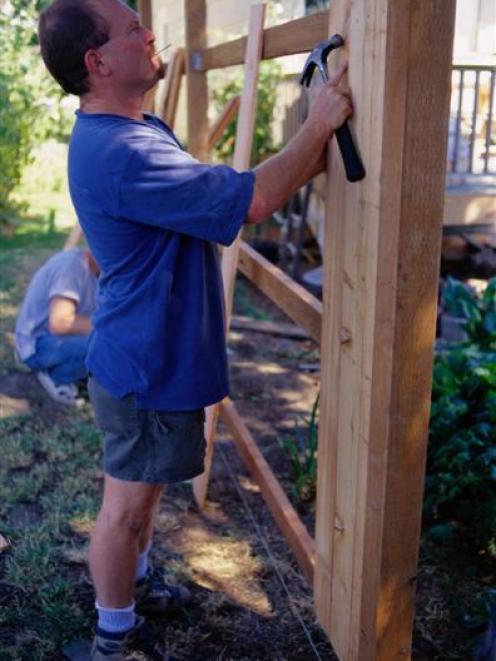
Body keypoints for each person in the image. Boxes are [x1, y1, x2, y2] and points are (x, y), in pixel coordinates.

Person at [37, 1, 353, 659]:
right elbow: (254, 201)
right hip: (147, 368)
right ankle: (113, 638)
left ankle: (138, 586)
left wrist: (317, 144)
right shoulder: (121, 151)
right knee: (124, 510)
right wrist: (317, 124)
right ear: (97, 62)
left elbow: (240, 190)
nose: (148, 33)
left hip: (149, 357)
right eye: (131, 29)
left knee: (142, 498)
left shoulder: (134, 128)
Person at [15, 247, 99, 406]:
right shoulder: (73, 264)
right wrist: (113, 328)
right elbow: (61, 322)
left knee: (111, 345)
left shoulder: (100, 274)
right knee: (106, 345)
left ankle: (70, 374)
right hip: (37, 344)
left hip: (61, 341)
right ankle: (56, 377)